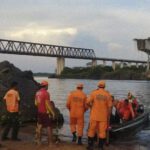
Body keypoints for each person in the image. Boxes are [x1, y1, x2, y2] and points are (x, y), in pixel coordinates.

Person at [86, 81, 112, 150]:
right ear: (104, 86)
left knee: (91, 130)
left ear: (98, 86)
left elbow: (87, 102)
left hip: (94, 116)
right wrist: (109, 115)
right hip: (103, 117)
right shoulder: (107, 94)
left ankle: (90, 145)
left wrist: (91, 107)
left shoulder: (94, 93)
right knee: (102, 132)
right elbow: (109, 107)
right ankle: (100, 147)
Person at [35, 80, 55, 145]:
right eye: (47, 86)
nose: (48, 87)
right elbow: (48, 104)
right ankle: (50, 143)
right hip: (45, 113)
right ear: (46, 86)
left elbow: (35, 103)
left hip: (39, 112)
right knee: (49, 127)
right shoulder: (46, 93)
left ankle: (38, 141)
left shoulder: (37, 92)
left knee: (39, 126)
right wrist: (53, 113)